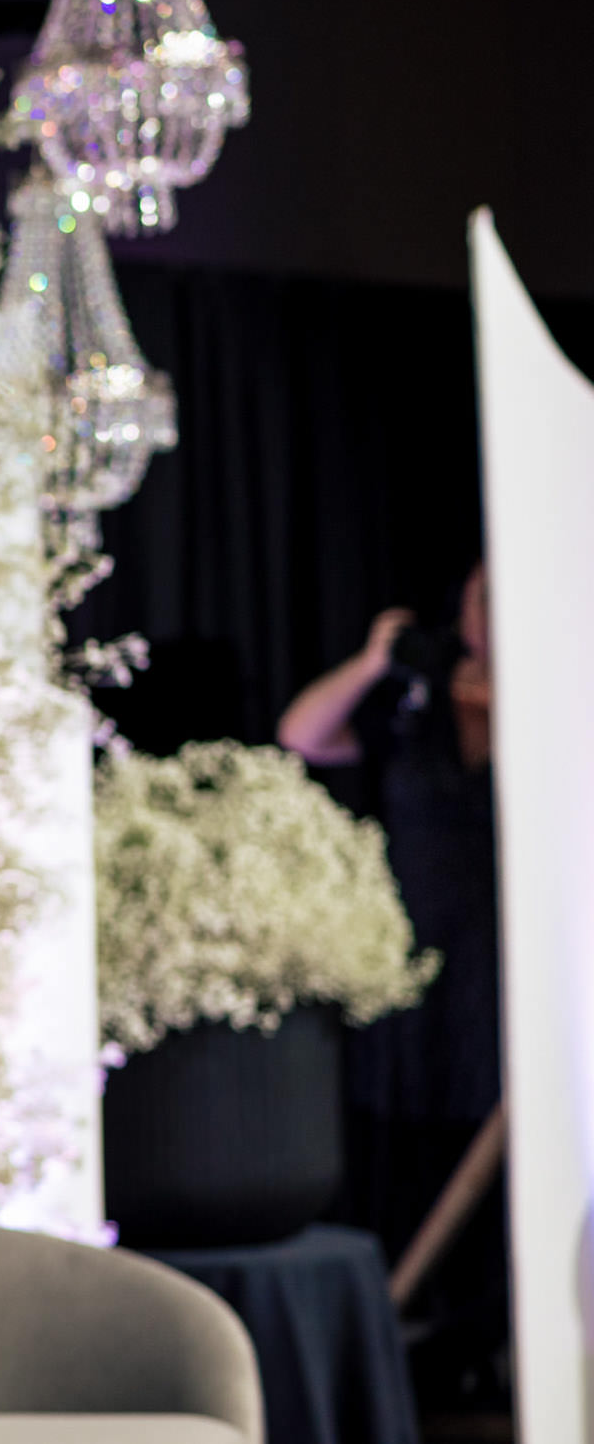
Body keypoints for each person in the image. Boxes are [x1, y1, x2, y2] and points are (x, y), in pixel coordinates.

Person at [277, 561, 506, 1405]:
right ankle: (403, 1348)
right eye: (484, 594)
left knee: (495, 1140)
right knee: (409, 1141)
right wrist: (378, 660)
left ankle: (493, 1341)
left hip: (502, 960)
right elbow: (303, 733)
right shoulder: (417, 697)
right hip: (415, 963)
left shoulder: (555, 689)